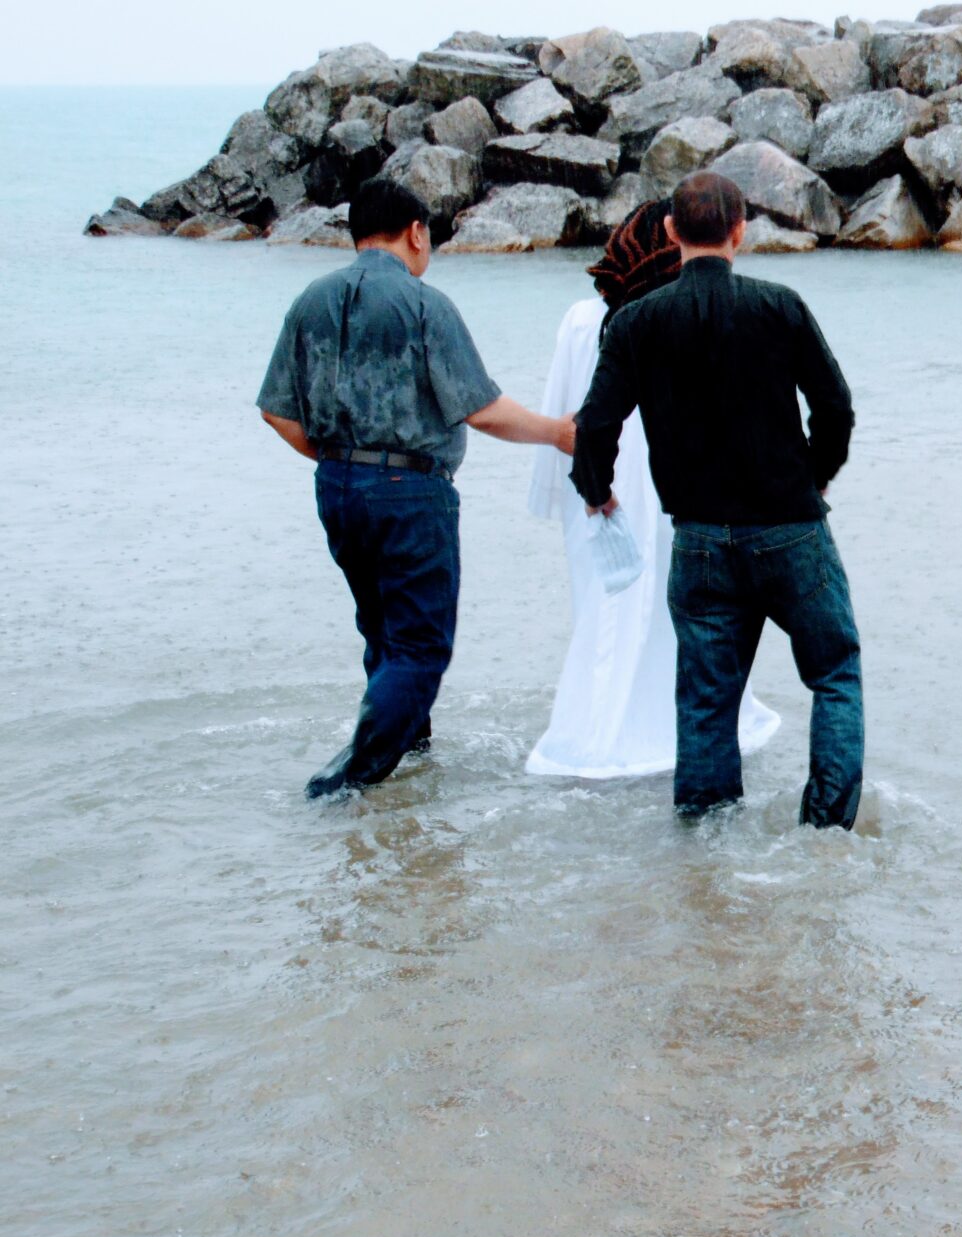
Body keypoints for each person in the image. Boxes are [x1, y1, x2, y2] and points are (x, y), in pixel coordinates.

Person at [258, 178, 576, 800]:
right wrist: (557, 433)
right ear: (415, 233)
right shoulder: (424, 303)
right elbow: (481, 411)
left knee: (382, 633)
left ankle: (406, 753)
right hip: (410, 489)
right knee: (422, 647)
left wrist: (341, 463)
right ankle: (350, 782)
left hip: (337, 485)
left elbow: (277, 412)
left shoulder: (309, 301)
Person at [570, 172, 864, 829]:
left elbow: (595, 426)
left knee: (706, 700)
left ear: (671, 232)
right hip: (791, 527)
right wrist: (817, 476)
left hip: (700, 539)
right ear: (741, 231)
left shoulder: (634, 323)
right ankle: (824, 830)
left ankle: (706, 852)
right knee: (835, 675)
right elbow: (836, 408)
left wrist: (598, 493)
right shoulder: (779, 306)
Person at [525, 201, 780, 778]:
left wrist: (557, 493)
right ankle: (672, 728)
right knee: (684, 614)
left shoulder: (582, 320)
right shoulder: (693, 314)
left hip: (597, 488)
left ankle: (598, 731)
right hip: (679, 487)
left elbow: (562, 415)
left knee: (604, 612)